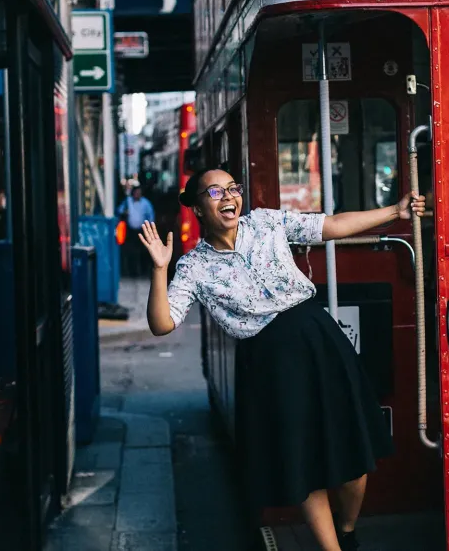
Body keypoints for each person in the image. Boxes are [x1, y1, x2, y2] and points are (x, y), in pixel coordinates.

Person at [139, 168, 424, 551]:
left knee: (354, 453)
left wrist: (396, 211)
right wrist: (160, 269)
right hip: (269, 362)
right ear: (198, 208)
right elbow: (163, 324)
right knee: (302, 461)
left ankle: (348, 528)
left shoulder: (267, 222)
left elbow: (333, 225)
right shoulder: (194, 267)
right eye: (215, 191)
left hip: (317, 339)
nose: (229, 196)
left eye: (233, 188)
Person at [117, 186, 155, 277]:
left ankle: (142, 271)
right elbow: (119, 210)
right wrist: (124, 212)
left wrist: (150, 228)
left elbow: (151, 215)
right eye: (136, 192)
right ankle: (132, 271)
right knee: (131, 251)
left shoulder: (145, 203)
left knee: (143, 252)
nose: (138, 194)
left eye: (139, 192)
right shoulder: (128, 201)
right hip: (130, 231)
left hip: (141, 230)